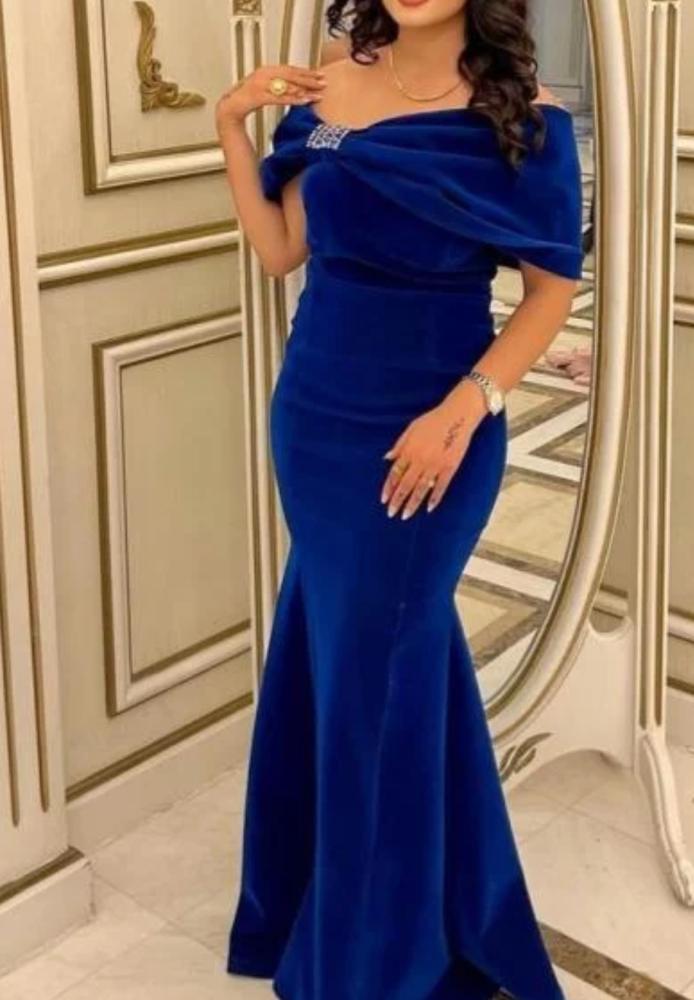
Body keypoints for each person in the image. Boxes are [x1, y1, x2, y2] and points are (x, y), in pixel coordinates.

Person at [215, 0, 583, 995]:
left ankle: (376, 964)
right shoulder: (330, 81)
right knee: (359, 662)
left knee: (380, 675)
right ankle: (376, 910)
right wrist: (230, 125)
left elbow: (550, 292)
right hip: (316, 417)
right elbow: (281, 252)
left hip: (438, 425)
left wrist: (465, 407)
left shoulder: (526, 117)